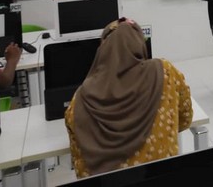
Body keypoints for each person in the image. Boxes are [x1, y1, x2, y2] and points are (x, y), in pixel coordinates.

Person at [64, 18, 193, 178]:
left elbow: (78, 156)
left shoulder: (80, 99)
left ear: (102, 50)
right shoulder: (164, 71)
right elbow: (185, 119)